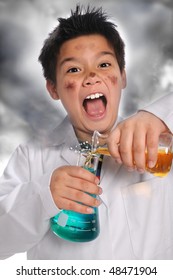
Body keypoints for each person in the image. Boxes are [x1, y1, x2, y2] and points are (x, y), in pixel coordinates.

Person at [0, 5, 173, 260]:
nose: (92, 77)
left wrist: (159, 115)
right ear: (53, 89)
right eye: (73, 69)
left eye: (104, 64)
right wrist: (43, 194)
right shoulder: (31, 156)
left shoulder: (158, 140)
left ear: (122, 76)